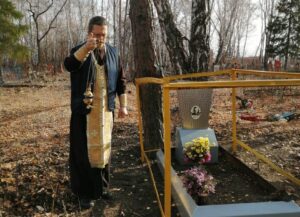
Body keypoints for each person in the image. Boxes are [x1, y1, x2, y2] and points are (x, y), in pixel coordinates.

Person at [64, 16, 128, 209]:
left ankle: (101, 188)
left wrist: (123, 106)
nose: (101, 38)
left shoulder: (114, 53)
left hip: (106, 112)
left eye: (104, 34)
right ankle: (84, 193)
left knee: (104, 150)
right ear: (90, 33)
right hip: (84, 112)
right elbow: (69, 66)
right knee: (83, 153)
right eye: (97, 34)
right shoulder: (79, 50)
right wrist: (87, 48)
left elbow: (121, 82)